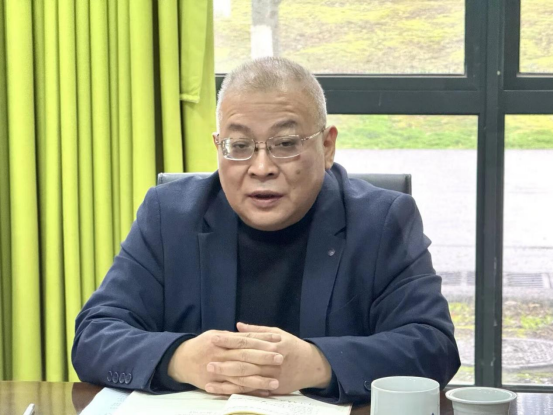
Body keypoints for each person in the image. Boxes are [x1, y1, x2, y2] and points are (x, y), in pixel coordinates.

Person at [72, 57, 460, 404]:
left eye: (285, 143)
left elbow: (433, 347)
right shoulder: (169, 215)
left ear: (327, 146)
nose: (261, 168)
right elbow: (95, 335)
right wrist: (182, 358)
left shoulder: (382, 220)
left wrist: (317, 364)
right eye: (240, 145)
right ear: (219, 147)